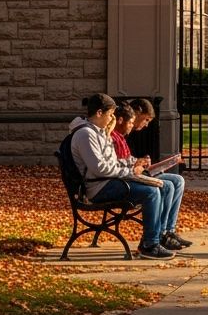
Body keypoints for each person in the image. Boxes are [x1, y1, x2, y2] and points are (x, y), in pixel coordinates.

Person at [68, 93, 175, 260]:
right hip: (99, 187)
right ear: (99, 113)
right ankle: (150, 244)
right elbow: (100, 169)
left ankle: (156, 238)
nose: (112, 118)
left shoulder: (99, 132)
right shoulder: (86, 135)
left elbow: (112, 163)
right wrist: (130, 172)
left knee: (160, 185)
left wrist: (130, 168)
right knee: (151, 192)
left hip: (109, 181)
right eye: (110, 114)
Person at [127, 97, 192, 250]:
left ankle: (168, 231)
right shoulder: (120, 133)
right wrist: (135, 166)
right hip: (126, 179)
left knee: (178, 180)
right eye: (146, 119)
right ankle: (159, 234)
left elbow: (121, 160)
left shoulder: (126, 133)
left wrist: (139, 162)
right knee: (166, 185)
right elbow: (111, 165)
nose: (147, 124)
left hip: (133, 174)